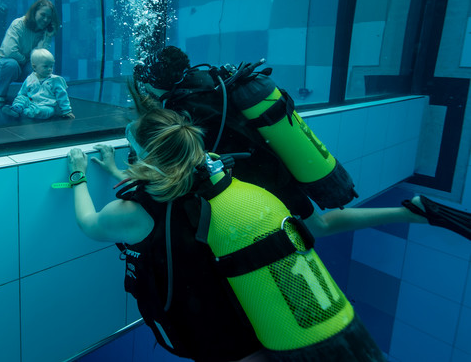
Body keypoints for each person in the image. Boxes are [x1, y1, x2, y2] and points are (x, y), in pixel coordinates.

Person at [66, 106, 387, 362]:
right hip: (253, 322)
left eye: (134, 151)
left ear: (149, 158)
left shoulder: (131, 213)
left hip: (217, 343)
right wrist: (115, 170)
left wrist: (78, 174)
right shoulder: (218, 186)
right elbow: (170, 196)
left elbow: (88, 223)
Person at [132, 46, 471, 241]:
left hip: (263, 178)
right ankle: (410, 212)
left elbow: (179, 153)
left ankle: (411, 212)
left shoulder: (184, 106)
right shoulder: (211, 80)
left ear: (157, 84)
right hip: (276, 157)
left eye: (147, 86)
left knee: (316, 228)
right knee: (319, 225)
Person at [0, 0, 60, 105]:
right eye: (43, 15)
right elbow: (10, 51)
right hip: (3, 64)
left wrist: (47, 37)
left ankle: (34, 96)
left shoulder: (43, 32)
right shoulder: (18, 24)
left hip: (23, 68)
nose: (46, 20)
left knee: (41, 66)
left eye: (49, 17)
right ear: (34, 12)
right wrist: (25, 60)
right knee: (12, 65)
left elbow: (41, 58)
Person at [1, 48, 74, 119]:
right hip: (31, 101)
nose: (49, 69)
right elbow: (22, 93)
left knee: (49, 111)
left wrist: (67, 111)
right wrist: (20, 100)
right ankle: (17, 108)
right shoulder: (30, 78)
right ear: (34, 67)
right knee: (22, 98)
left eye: (51, 66)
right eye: (45, 66)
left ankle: (24, 112)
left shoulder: (55, 80)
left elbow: (62, 96)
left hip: (46, 105)